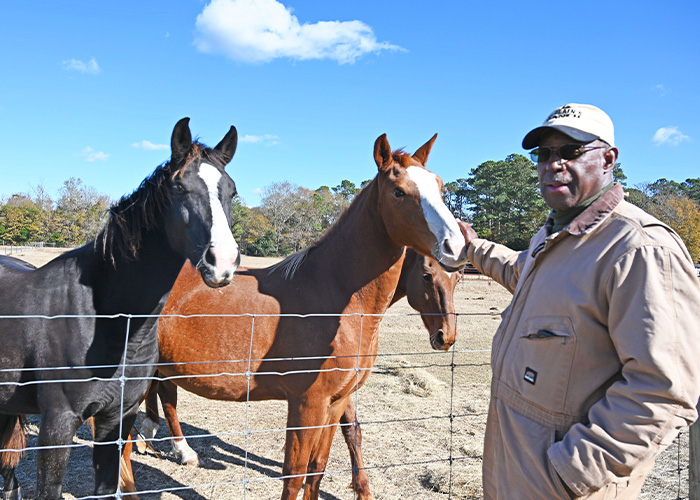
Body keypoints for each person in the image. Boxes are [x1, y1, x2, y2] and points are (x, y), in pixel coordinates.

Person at [458, 103, 700, 499]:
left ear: (608, 159)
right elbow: (518, 271)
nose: (553, 164)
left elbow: (662, 392)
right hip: (511, 475)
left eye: (570, 151)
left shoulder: (639, 248)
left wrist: (568, 473)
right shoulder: (551, 239)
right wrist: (472, 247)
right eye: (544, 153)